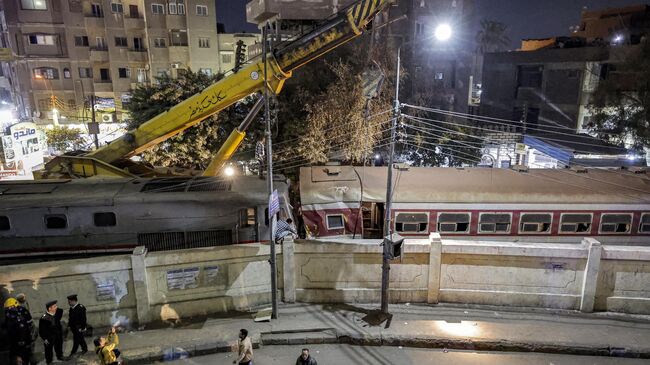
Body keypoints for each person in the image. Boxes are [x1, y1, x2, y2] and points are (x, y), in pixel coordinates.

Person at [3, 298, 34, 365]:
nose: (8, 310)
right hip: (14, 341)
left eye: (9, 307)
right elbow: (7, 325)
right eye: (7, 308)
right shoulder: (9, 314)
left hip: (22, 341)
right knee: (14, 356)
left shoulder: (20, 316)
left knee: (23, 356)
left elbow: (26, 327)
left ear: (13, 306)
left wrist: (23, 340)